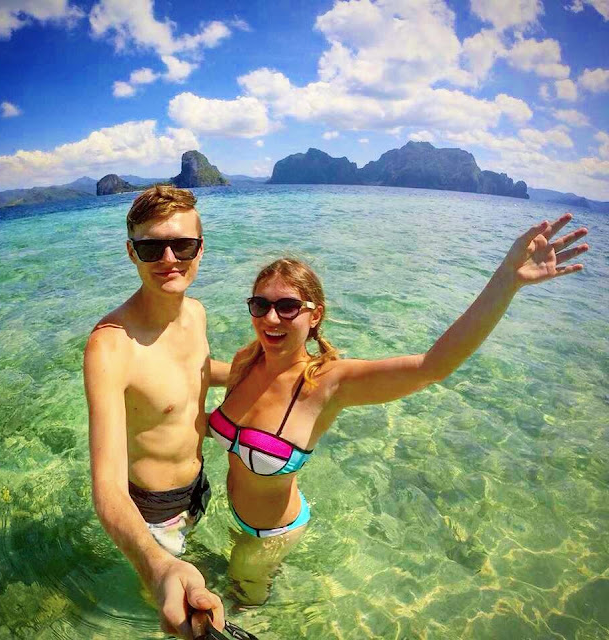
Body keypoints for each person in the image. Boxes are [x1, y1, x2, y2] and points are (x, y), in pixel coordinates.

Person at [208, 213, 589, 605]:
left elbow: (433, 366)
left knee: (241, 608)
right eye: (260, 304)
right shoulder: (245, 360)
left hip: (272, 536)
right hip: (232, 515)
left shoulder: (329, 383)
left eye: (288, 306)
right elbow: (192, 379)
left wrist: (506, 282)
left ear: (315, 314)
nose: (271, 318)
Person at [84, 186, 228, 637]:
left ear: (201, 249)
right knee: (180, 617)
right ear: (132, 253)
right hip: (151, 516)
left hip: (198, 487)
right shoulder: (110, 345)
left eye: (182, 244)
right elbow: (107, 490)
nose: (169, 258)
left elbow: (196, 371)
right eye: (151, 247)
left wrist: (267, 368)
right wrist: (156, 564)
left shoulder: (197, 313)